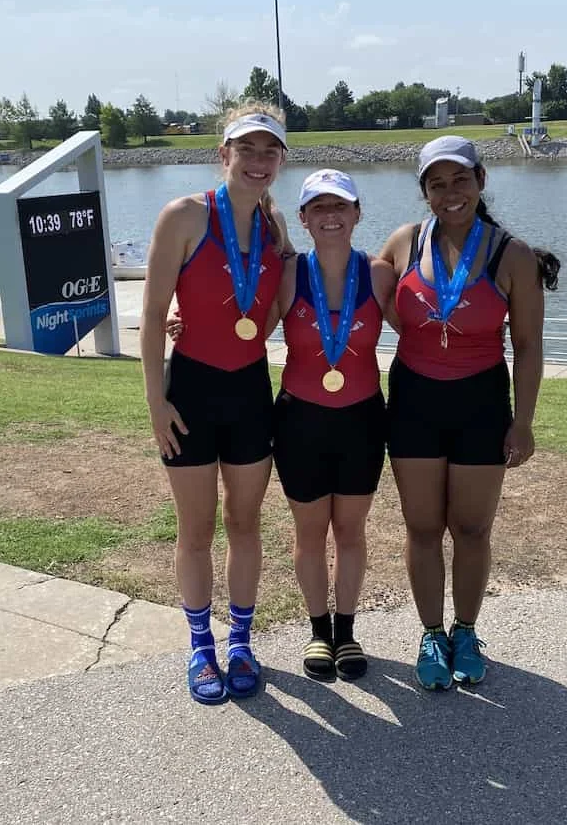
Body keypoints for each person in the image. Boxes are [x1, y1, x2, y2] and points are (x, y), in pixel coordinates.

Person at [378, 135, 559, 691]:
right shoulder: (404, 243)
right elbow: (361, 291)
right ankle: (431, 633)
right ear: (424, 192)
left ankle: (466, 629)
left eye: (460, 180)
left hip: (482, 402)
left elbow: (528, 346)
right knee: (423, 527)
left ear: (481, 182)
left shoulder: (513, 255)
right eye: (437, 183)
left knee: (473, 528)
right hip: (413, 400)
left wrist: (522, 421)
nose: (450, 192)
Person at [141, 103, 292, 705]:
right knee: (197, 528)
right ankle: (201, 645)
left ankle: (241, 643)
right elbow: (152, 317)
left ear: (281, 160)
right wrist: (155, 402)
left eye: (269, 151)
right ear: (223, 153)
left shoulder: (277, 232)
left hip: (250, 392)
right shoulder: (183, 216)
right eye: (246, 148)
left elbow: (276, 311)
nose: (258, 160)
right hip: (190, 395)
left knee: (244, 523)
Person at [271, 169, 395, 682]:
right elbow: (241, 326)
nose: (330, 215)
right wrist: (181, 322)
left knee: (350, 531)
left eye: (339, 205)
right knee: (310, 533)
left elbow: (422, 328)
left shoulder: (380, 273)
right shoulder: (285, 274)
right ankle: (318, 630)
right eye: (318, 207)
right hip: (300, 420)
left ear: (357, 213)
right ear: (303, 218)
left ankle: (346, 632)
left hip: (363, 421)